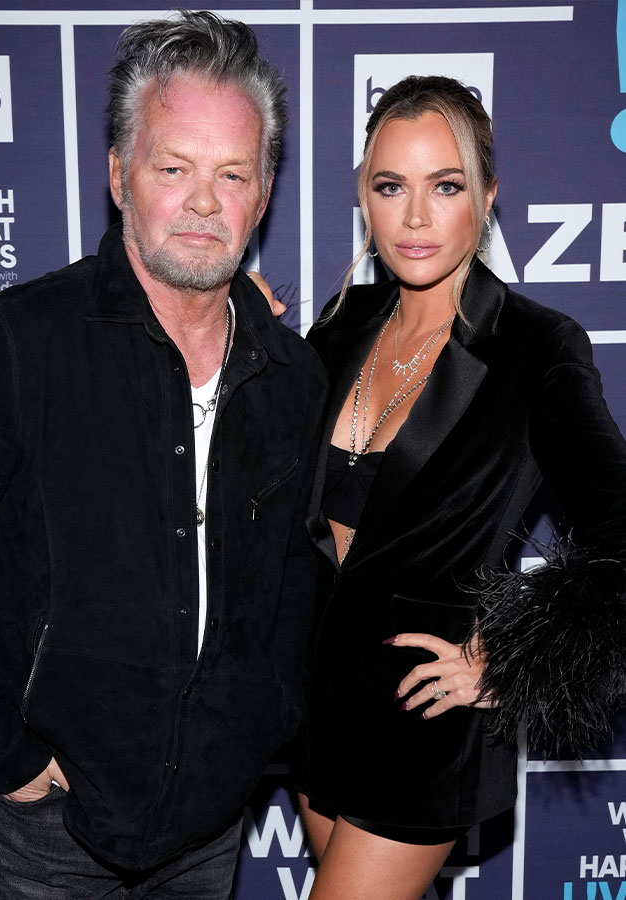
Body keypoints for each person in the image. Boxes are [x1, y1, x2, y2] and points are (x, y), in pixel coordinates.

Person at [0, 11, 326, 898]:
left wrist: (259, 729)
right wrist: (2, 753)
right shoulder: (17, 344)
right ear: (118, 176)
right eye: (173, 167)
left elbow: (294, 587)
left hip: (211, 828)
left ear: (263, 195)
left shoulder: (293, 376)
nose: (203, 200)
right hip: (45, 831)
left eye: (232, 174)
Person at [295, 75, 626, 900]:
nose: (414, 218)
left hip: (420, 726)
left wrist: (508, 661)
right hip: (309, 709)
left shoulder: (535, 349)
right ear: (362, 197)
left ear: (487, 198)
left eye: (445, 187)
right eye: (390, 187)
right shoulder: (338, 328)